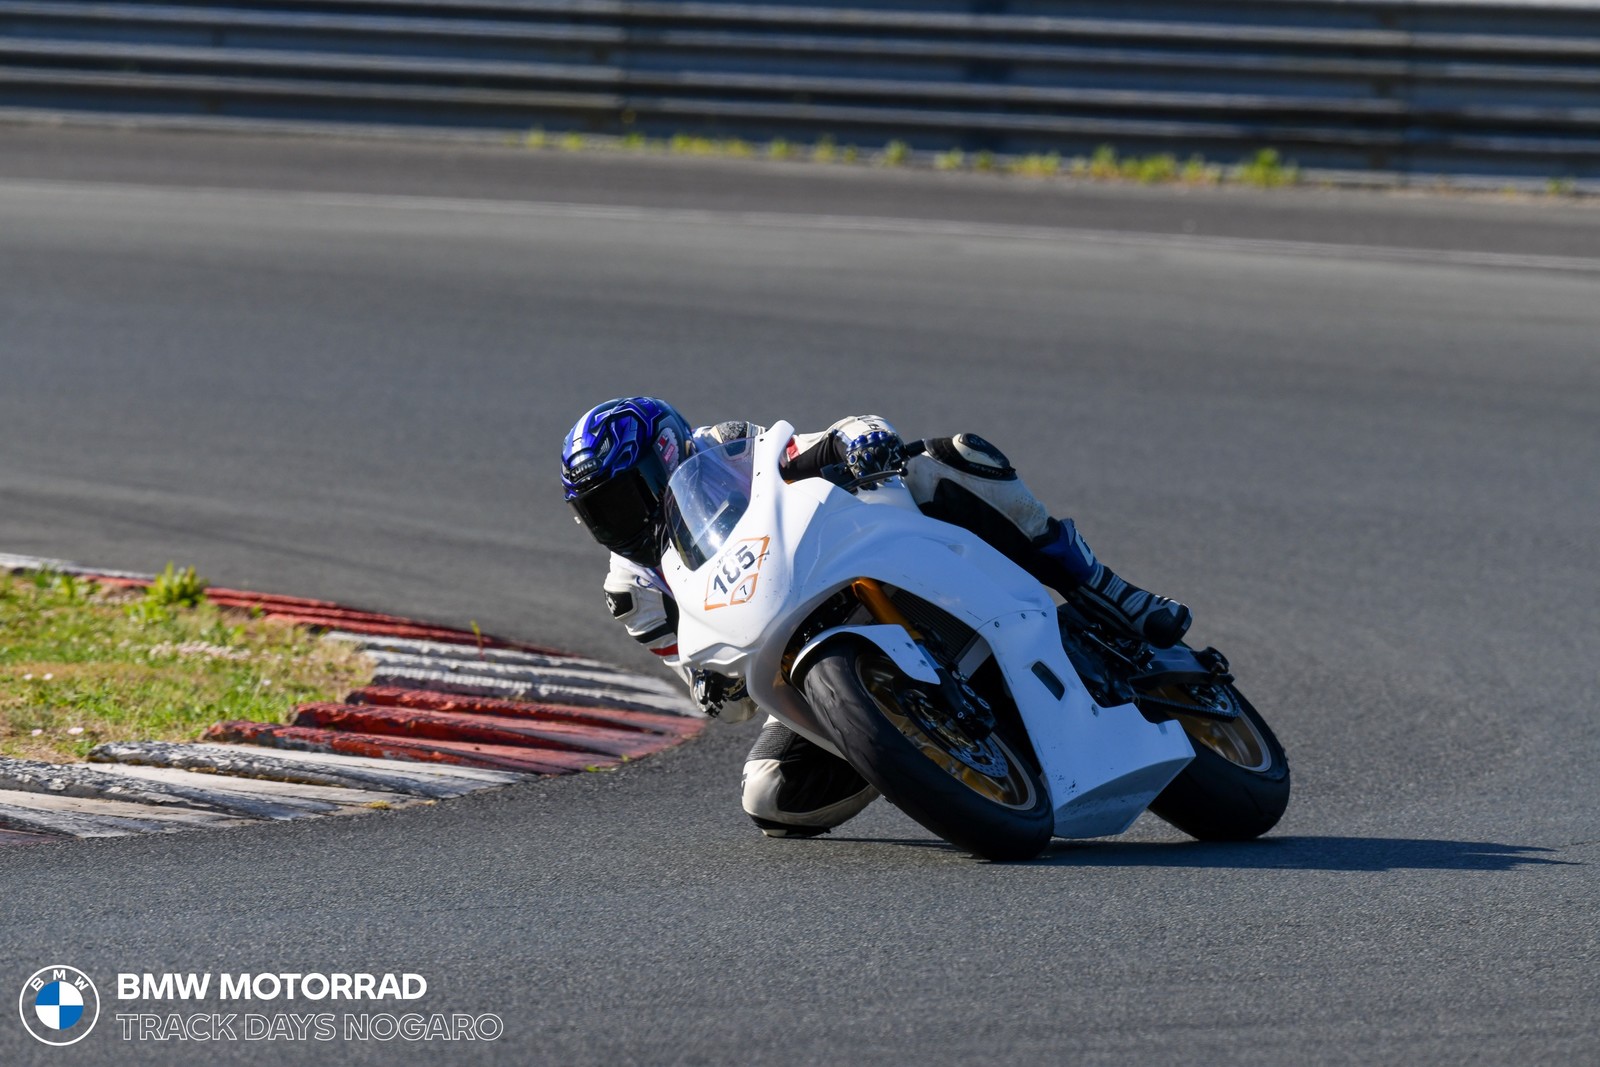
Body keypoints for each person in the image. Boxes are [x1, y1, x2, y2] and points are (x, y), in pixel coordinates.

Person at [560, 397, 1191, 839]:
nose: (622, 521)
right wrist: (712, 687)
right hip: (791, 651)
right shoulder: (633, 590)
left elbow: (803, 449)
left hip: (842, 556)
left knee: (947, 459)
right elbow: (716, 695)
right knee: (771, 798)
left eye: (627, 495)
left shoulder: (726, 449)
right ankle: (918, 749)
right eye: (601, 511)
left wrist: (852, 436)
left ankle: (1105, 590)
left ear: (668, 453)